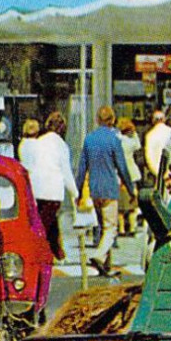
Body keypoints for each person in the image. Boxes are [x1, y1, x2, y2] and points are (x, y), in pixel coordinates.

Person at [75, 105, 135, 276]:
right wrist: (131, 190)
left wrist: (79, 192)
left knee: (102, 227)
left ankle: (106, 267)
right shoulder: (114, 139)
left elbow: (82, 169)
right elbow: (122, 167)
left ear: (97, 120)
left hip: (94, 189)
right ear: (112, 120)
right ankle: (99, 256)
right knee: (111, 229)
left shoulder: (89, 139)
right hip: (109, 189)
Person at [28, 112, 77, 262]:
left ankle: (57, 252)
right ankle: (39, 253)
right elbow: (66, 171)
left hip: (37, 188)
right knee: (45, 223)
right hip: (53, 189)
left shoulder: (39, 142)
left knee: (49, 220)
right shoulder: (61, 145)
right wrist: (75, 192)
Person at [116, 116, 143, 235]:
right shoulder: (131, 142)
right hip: (132, 173)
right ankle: (132, 228)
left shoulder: (117, 140)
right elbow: (138, 146)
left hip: (119, 175)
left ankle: (121, 229)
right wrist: (135, 133)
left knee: (120, 205)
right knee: (132, 203)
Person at [143, 109, 171, 183]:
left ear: (153, 120)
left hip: (157, 173)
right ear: (164, 119)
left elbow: (148, 157)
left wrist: (157, 172)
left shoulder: (149, 135)